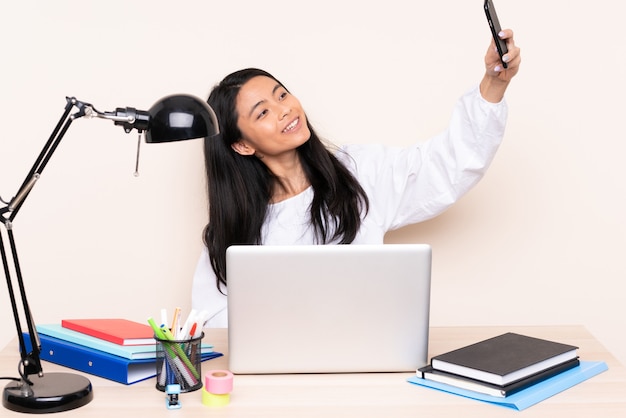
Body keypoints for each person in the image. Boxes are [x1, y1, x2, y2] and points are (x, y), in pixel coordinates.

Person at [192, 30, 521, 327]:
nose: (284, 110)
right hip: (282, 380)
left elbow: (444, 167)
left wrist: (493, 85)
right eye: (262, 112)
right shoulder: (233, 231)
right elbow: (213, 320)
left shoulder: (359, 171)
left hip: (368, 359)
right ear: (242, 144)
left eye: (282, 96)